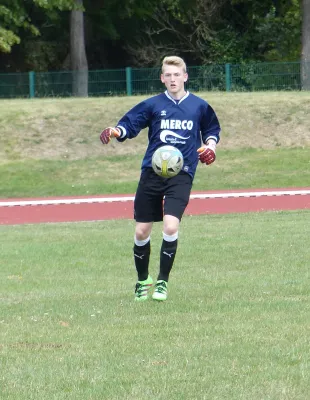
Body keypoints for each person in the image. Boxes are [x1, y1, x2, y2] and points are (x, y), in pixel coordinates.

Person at [100, 56, 221, 302]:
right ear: (162, 78)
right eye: (168, 75)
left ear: (185, 77)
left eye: (177, 75)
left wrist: (211, 146)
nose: (172, 79)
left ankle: (162, 282)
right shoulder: (153, 105)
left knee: (170, 226)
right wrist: (115, 131)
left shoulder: (199, 106)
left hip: (182, 173)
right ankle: (143, 280)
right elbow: (130, 125)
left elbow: (212, 130)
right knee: (142, 231)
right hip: (152, 173)